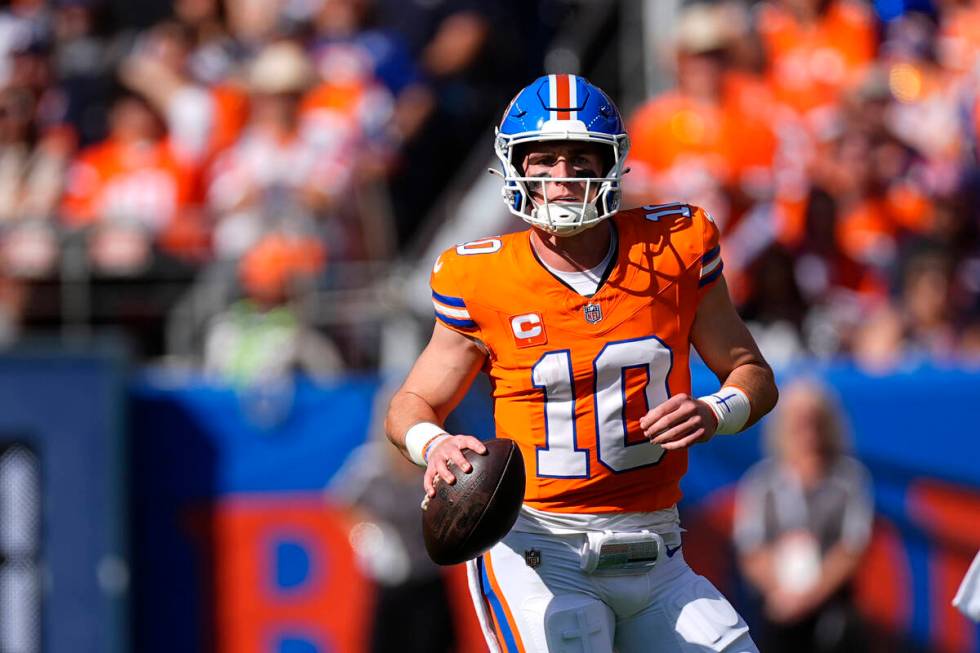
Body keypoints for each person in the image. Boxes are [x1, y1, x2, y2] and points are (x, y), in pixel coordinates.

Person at [385, 74, 778, 652]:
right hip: (542, 552)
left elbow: (754, 376)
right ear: (514, 166)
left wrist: (717, 411)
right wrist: (434, 444)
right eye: (543, 159)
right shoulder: (481, 276)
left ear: (612, 163)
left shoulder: (676, 245)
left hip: (659, 547)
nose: (563, 177)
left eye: (580, 157)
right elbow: (409, 406)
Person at [733, 378, 873, 653]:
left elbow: (852, 547)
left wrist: (810, 596)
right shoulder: (762, 482)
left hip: (832, 610)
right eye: (797, 420)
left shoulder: (848, 478)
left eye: (814, 419)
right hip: (777, 608)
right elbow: (750, 548)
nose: (807, 429)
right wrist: (782, 592)